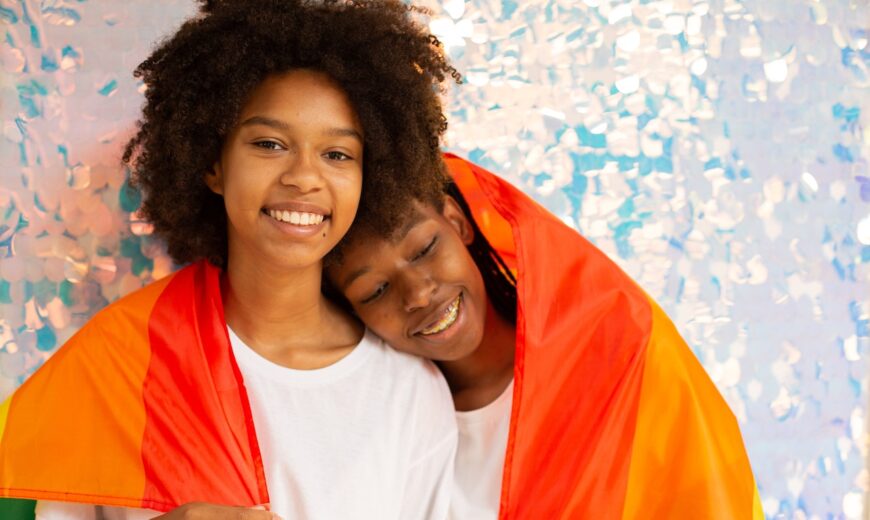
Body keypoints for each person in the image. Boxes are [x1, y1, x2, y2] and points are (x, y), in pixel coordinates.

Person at [0, 1, 460, 519]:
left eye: (338, 154)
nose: (304, 177)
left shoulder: (407, 393)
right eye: (269, 143)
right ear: (214, 166)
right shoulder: (121, 364)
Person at [325, 153, 765, 519]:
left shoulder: (619, 354)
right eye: (375, 290)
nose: (419, 293)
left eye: (424, 249)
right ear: (350, 311)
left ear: (457, 222)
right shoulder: (378, 427)